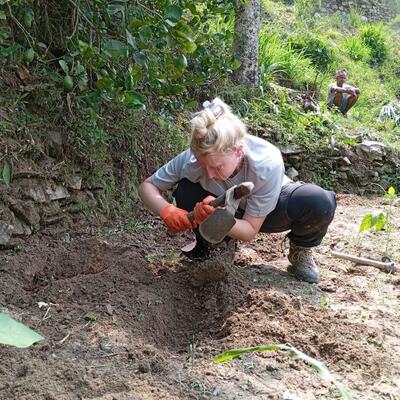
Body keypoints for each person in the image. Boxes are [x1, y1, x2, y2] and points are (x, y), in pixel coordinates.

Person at [138, 98, 337, 284]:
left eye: (217, 167)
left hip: (268, 213)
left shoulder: (266, 163)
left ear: (239, 151)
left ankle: (301, 249)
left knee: (318, 202)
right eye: (203, 166)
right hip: (223, 209)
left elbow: (250, 230)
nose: (210, 174)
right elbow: (147, 186)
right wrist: (167, 210)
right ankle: (214, 245)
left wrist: (215, 218)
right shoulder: (191, 159)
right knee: (186, 190)